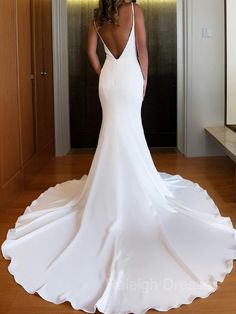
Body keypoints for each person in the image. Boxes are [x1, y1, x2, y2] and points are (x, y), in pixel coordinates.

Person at [1, 1, 236, 313]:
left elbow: (89, 52)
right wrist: (144, 81)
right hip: (129, 80)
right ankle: (130, 188)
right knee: (129, 134)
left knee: (112, 135)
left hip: (108, 81)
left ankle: (110, 191)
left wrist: (103, 72)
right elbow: (142, 50)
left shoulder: (97, 15)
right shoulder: (134, 9)